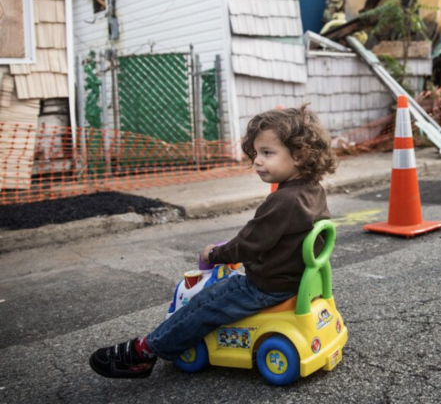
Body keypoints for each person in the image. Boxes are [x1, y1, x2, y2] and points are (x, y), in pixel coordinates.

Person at [89, 104, 338, 379]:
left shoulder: (283, 201)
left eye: (268, 153)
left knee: (204, 304)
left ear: (300, 155)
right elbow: (263, 240)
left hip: (266, 287)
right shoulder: (312, 191)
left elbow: (247, 245)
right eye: (256, 153)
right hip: (293, 279)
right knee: (220, 292)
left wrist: (215, 254)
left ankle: (145, 351)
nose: (257, 160)